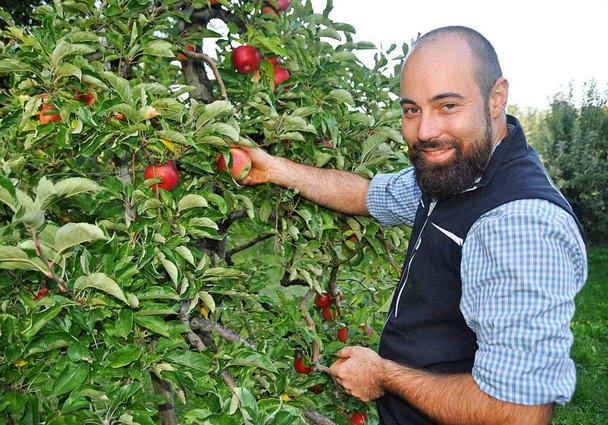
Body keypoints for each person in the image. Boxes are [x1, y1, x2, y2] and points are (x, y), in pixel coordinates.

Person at [238, 25, 588, 425]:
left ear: (496, 98)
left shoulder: (517, 226)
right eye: (411, 110)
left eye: (448, 106)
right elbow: (368, 194)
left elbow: (517, 414)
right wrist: (275, 169)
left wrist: (384, 374)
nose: (424, 131)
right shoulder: (457, 172)